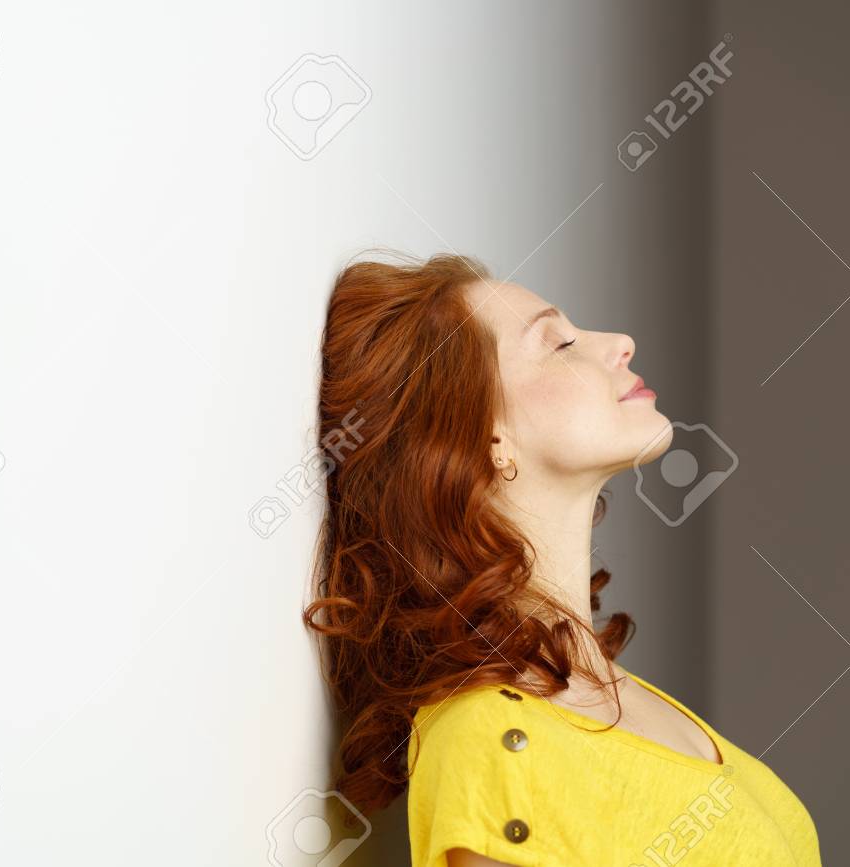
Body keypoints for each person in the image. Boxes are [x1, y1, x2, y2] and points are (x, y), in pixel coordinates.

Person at [304, 251, 821, 866]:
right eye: (560, 343)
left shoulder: (618, 696)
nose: (621, 343)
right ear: (488, 435)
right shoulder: (494, 739)